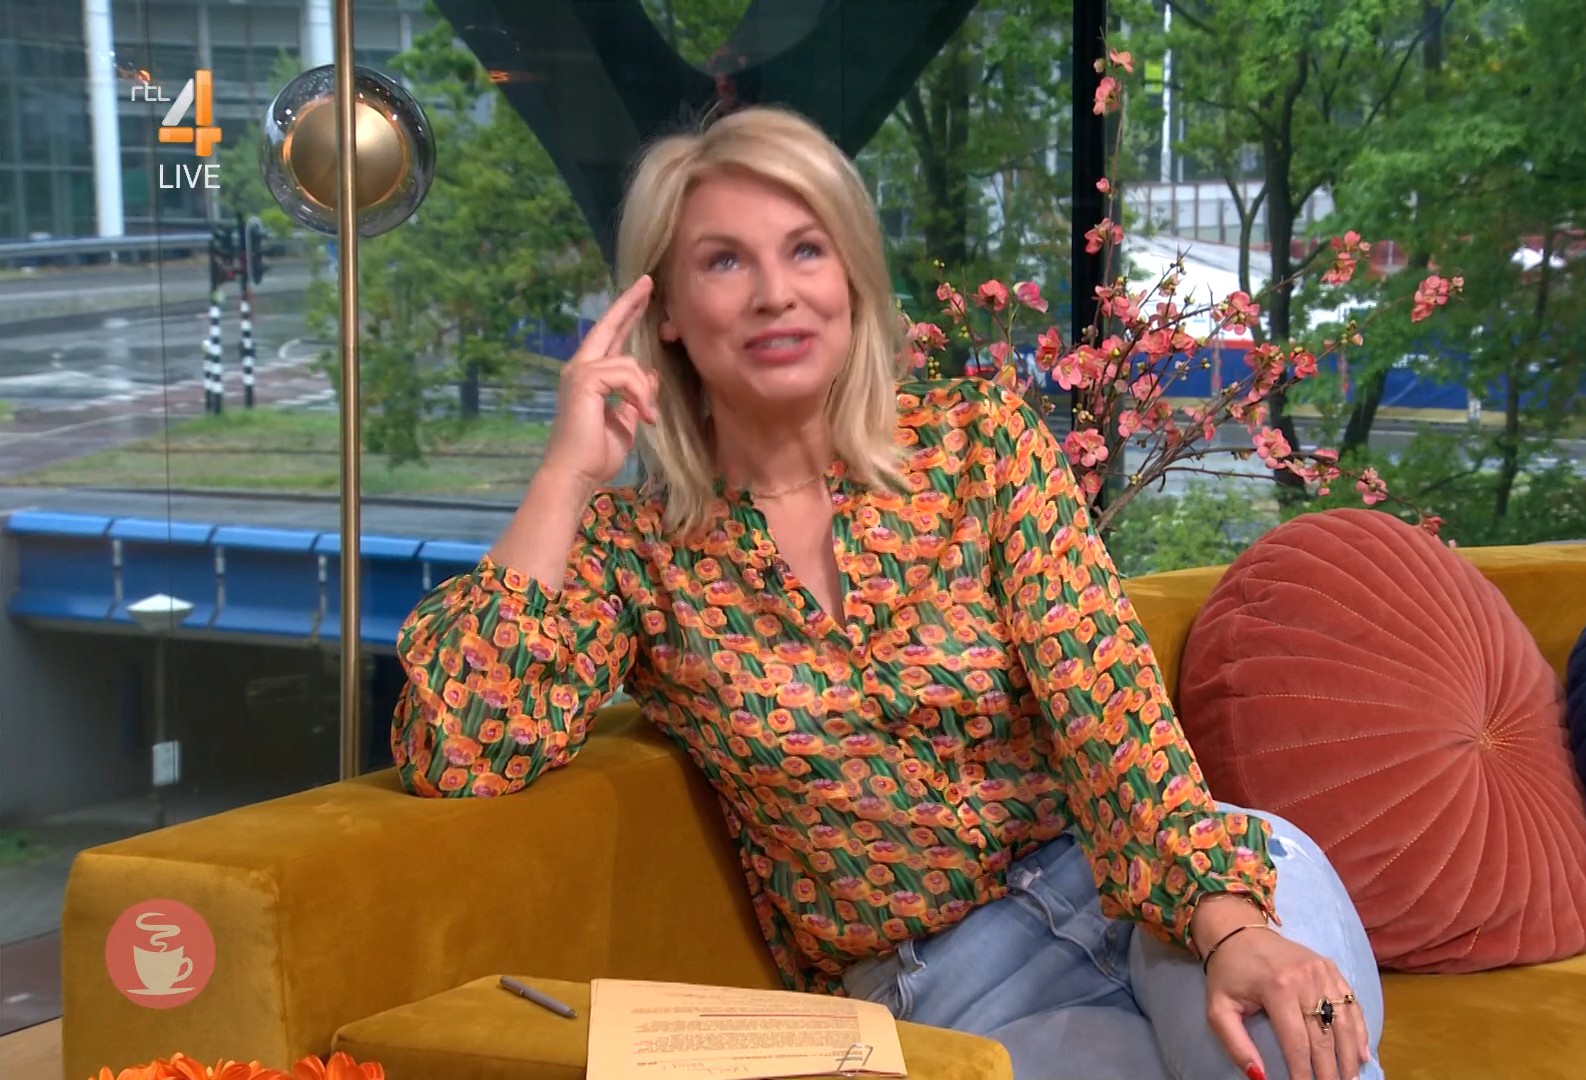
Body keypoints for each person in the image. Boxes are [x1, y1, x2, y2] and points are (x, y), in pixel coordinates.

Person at [390, 104, 1385, 1080]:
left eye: (806, 250)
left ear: (853, 279)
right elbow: (460, 750)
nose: (776, 293)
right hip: (943, 994)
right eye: (724, 262)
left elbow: (1110, 710)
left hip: (1152, 894)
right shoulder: (635, 553)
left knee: (1284, 1035)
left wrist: (1231, 926)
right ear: (668, 314)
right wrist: (564, 475)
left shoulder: (980, 443)